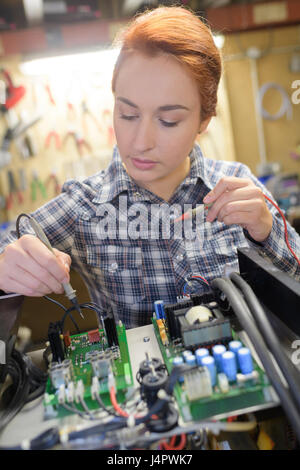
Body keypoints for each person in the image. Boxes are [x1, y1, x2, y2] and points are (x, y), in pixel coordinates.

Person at [0, 6, 299, 328]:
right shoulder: (85, 205)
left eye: (168, 120)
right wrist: (7, 266)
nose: (141, 141)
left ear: (204, 121)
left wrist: (267, 231)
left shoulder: (236, 184)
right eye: (128, 115)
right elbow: (9, 249)